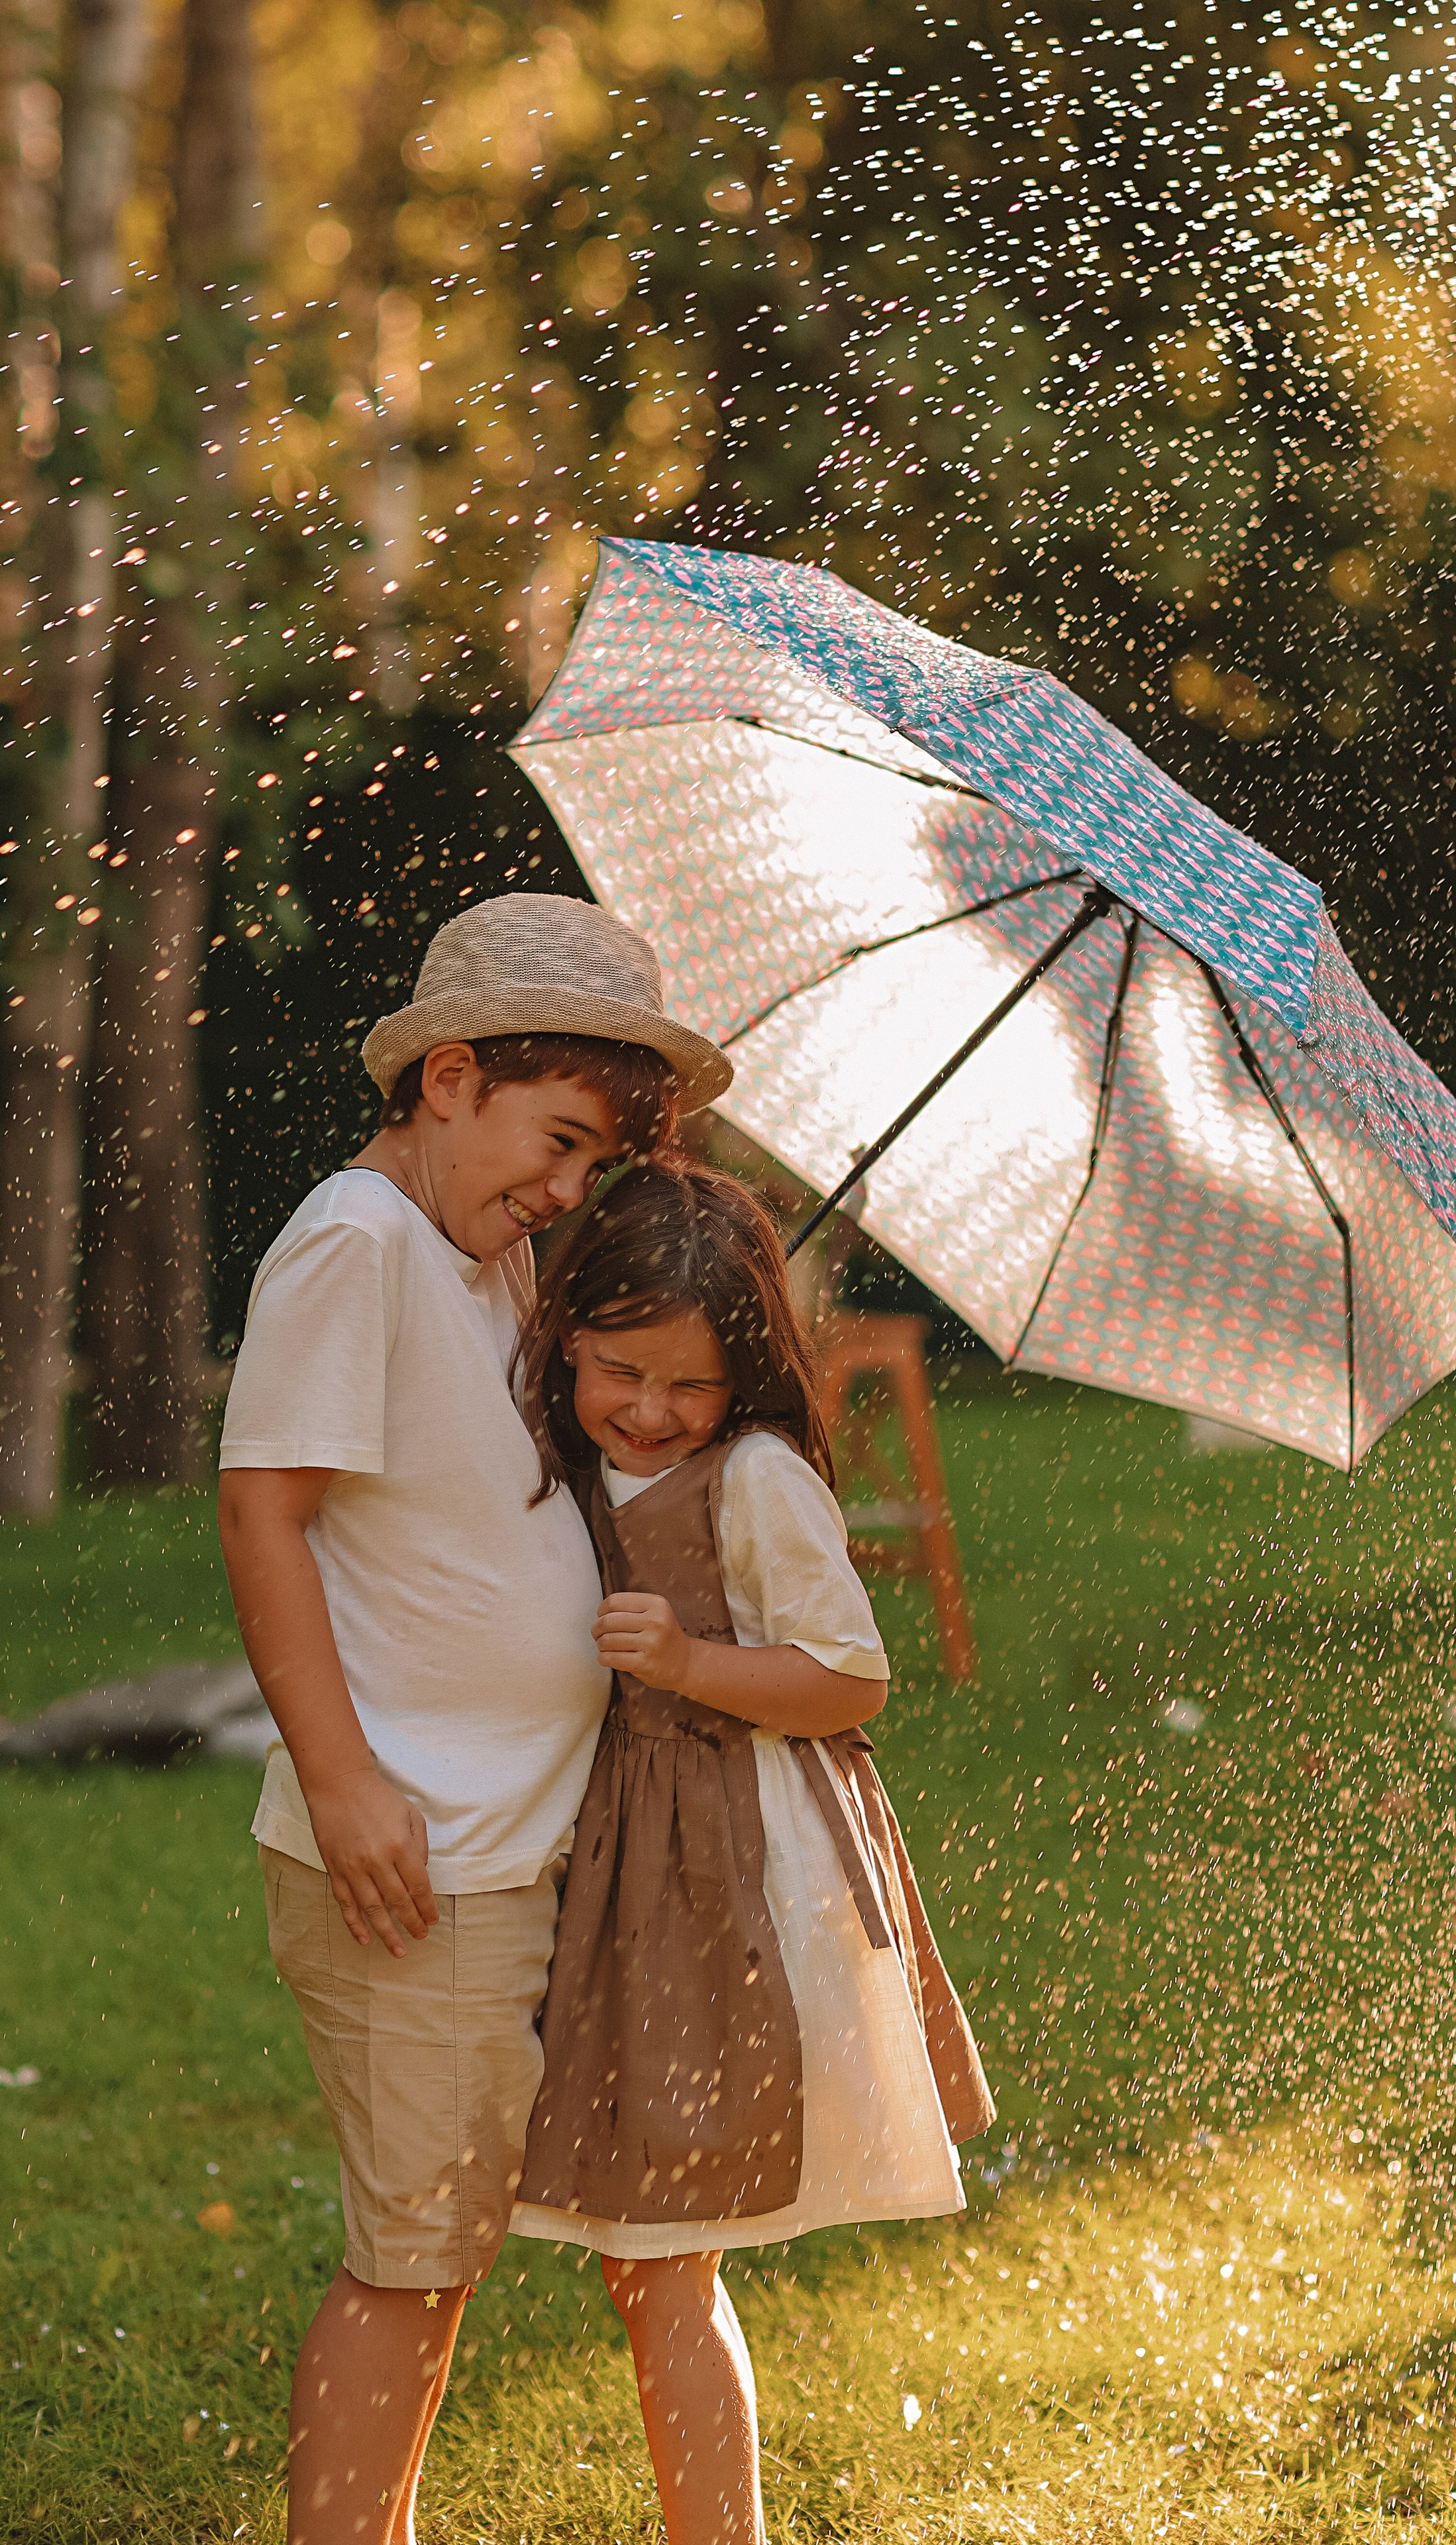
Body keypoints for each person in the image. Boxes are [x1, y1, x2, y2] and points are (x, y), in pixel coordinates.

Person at [216, 895, 730, 2545]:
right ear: (448, 1079)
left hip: (556, 1835)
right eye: (558, 1140)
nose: (569, 1189)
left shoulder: (486, 1251)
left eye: (598, 1162)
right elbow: (265, 1511)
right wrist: (341, 1777)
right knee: (420, 2257)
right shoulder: (354, 1244)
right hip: (419, 1855)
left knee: (626, 2238)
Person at [506, 1157, 996, 2545]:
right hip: (629, 1867)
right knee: (644, 2257)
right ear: (567, 1335)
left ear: (746, 1374)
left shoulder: (760, 1478)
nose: (652, 1409)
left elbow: (851, 1681)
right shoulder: (557, 1456)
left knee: (665, 2254)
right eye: (623, 1370)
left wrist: (688, 1660)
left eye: (693, 1384)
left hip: (733, 1872)